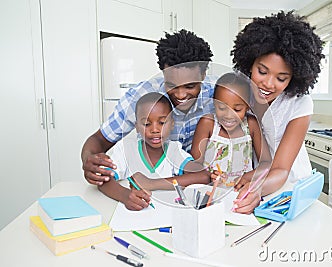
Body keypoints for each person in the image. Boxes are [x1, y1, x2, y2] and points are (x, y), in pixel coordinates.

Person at [81, 29, 214, 186]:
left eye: (190, 86)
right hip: (147, 190)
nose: (180, 95)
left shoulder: (219, 94)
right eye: (171, 85)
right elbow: (99, 139)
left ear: (204, 75)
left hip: (195, 186)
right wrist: (89, 159)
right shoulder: (141, 98)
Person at [231, 11, 324, 213]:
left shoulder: (300, 103)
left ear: (295, 78)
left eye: (281, 78)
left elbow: (282, 169)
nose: (268, 84)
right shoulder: (243, 94)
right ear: (249, 63)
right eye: (262, 72)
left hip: (292, 185)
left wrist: (256, 189)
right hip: (260, 179)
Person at [98, 92, 210, 210]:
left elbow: (203, 176)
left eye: (162, 123)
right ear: (136, 127)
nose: (155, 130)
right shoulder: (125, 149)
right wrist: (125, 196)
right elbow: (103, 179)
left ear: (172, 124)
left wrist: (151, 183)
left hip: (164, 216)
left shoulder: (174, 150)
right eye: (146, 124)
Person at [191, 72, 271, 187]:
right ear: (214, 103)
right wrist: (209, 175)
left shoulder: (251, 124)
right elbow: (194, 164)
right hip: (209, 191)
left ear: (248, 106)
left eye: (237, 109)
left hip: (240, 192)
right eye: (222, 108)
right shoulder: (208, 124)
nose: (229, 115)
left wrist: (247, 177)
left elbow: (266, 163)